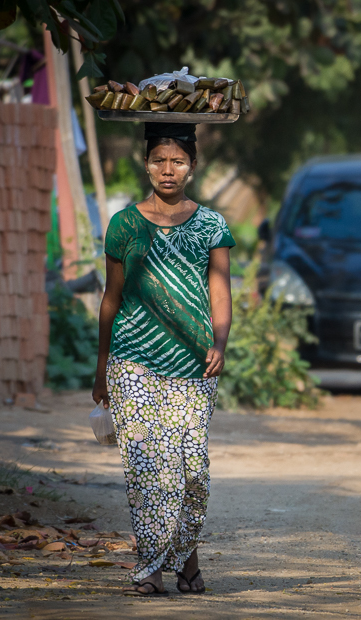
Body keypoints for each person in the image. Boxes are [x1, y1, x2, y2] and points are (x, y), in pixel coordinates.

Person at [91, 123, 235, 597]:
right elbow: (111, 298)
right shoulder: (124, 225)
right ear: (145, 163)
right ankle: (149, 566)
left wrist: (220, 340)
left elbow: (219, 291)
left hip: (194, 362)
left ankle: (186, 555)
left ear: (192, 166)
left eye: (177, 161)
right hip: (132, 359)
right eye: (158, 160)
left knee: (191, 469)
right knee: (149, 467)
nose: (167, 170)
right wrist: (101, 366)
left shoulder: (211, 225)